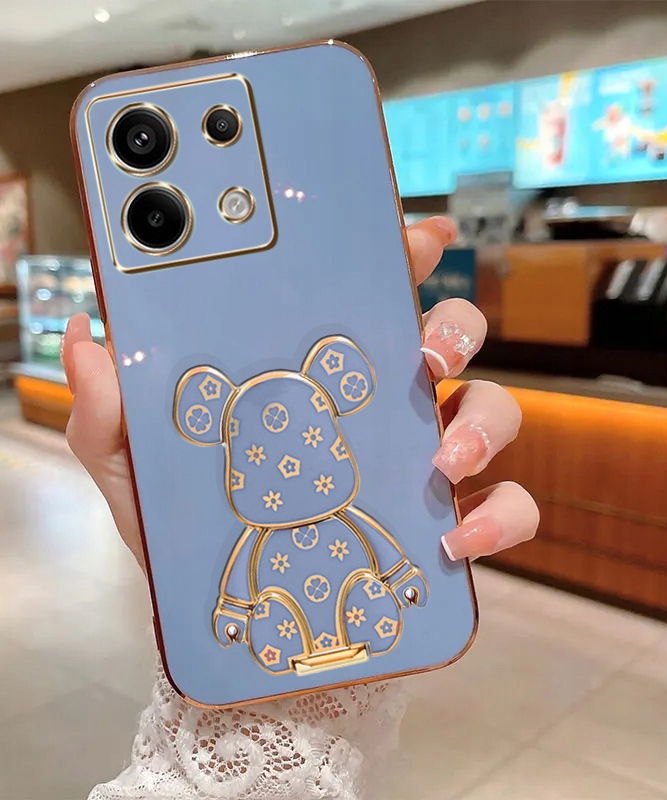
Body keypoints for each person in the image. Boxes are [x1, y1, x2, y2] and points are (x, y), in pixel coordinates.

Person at [62, 217, 540, 800]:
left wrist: (394, 584)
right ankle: (299, 628)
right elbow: (239, 576)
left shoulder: (295, 522)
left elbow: (371, 545)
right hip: (280, 613)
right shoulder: (253, 532)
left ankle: (359, 612)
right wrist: (237, 625)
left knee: (356, 592)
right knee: (279, 612)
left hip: (341, 599)